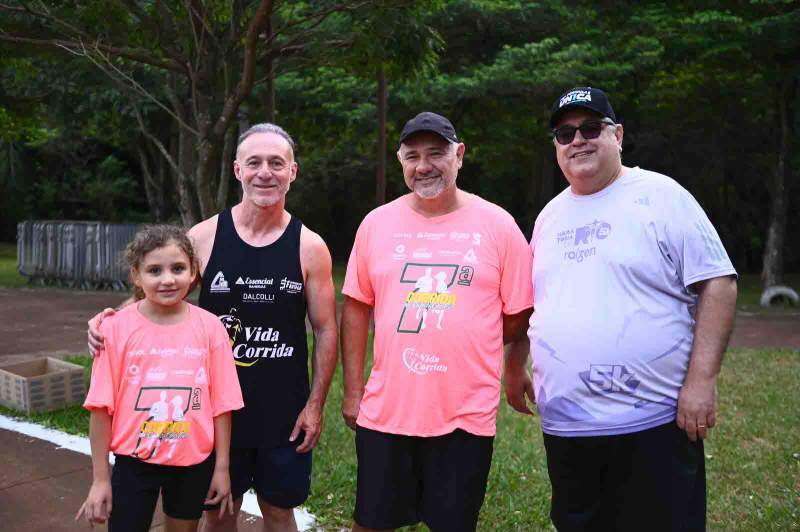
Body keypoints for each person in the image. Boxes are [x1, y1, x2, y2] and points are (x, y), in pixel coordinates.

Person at [506, 87, 738, 531]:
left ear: (618, 135)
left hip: (653, 422)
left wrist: (702, 381)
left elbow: (719, 283)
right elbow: (534, 302)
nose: (578, 140)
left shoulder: (662, 195)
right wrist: (515, 364)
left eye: (591, 128)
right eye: (565, 134)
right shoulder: (550, 216)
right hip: (568, 427)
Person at [88, 123, 339, 532]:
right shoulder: (204, 237)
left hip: (283, 411)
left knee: (279, 512)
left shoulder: (309, 247)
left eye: (277, 163)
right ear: (238, 170)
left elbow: (326, 329)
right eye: (254, 162)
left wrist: (315, 406)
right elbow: (157, 294)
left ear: (292, 172)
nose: (265, 172)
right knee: (219, 512)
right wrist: (109, 322)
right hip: (213, 411)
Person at [341, 112, 534, 532]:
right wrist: (353, 391)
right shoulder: (376, 224)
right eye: (412, 156)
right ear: (400, 161)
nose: (424, 165)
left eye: (436, 153)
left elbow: (521, 310)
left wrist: (480, 339)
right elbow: (356, 305)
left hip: (465, 414)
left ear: (459, 155)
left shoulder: (498, 225)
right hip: (388, 410)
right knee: (370, 522)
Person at [76, 225, 244, 532]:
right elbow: (100, 408)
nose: (167, 279)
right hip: (133, 463)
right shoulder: (114, 329)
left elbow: (223, 405)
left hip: (193, 463)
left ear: (193, 272)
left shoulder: (212, 329)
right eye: (154, 270)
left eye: (178, 268)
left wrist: (221, 467)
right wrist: (100, 479)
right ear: (137, 276)